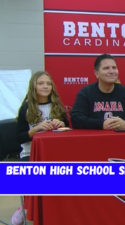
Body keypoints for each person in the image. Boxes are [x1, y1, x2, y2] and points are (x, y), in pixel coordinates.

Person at [12, 71, 69, 225]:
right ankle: (26, 206)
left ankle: (55, 209)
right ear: (33, 87)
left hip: (53, 153)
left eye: (48, 83)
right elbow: (19, 137)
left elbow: (69, 130)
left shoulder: (57, 106)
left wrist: (62, 125)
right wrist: (36, 129)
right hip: (29, 153)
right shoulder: (26, 108)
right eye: (41, 83)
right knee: (37, 176)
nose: (45, 86)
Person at [70, 54, 125, 129]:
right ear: (96, 73)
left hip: (121, 138)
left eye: (114, 68)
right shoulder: (86, 92)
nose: (111, 71)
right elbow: (76, 119)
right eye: (106, 68)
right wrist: (102, 124)